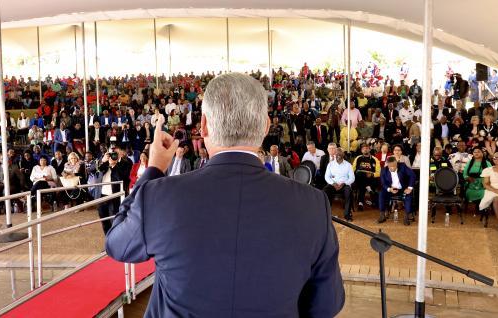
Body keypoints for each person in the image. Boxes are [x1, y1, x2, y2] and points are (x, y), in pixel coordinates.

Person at [105, 73, 344, 317]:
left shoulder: (159, 195)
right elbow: (326, 304)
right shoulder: (313, 204)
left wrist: (153, 170)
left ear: (204, 125)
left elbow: (117, 245)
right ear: (266, 126)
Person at [378, 156, 416, 225]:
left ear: (396, 163)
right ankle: (382, 214)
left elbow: (412, 175)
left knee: (408, 195)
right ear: (387, 165)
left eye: (394, 166)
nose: (392, 168)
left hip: (402, 189)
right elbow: (383, 183)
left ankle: (406, 216)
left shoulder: (403, 166)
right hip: (391, 189)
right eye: (390, 166)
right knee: (381, 193)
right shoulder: (384, 170)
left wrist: (409, 188)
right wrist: (390, 189)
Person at [96, 150, 124, 234]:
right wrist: (103, 161)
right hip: (101, 196)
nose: (113, 157)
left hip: (114, 196)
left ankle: (115, 241)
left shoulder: (122, 164)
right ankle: (108, 240)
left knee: (114, 220)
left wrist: (113, 165)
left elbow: (120, 177)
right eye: (111, 155)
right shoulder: (103, 164)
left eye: (115, 155)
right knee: (104, 220)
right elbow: (94, 170)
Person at [323, 149, 355, 221]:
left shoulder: (348, 165)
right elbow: (327, 176)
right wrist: (333, 183)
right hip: (333, 184)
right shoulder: (330, 164)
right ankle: (327, 213)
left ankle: (347, 214)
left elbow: (352, 178)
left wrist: (344, 183)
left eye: (340, 154)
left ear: (343, 155)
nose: (338, 156)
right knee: (325, 191)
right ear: (335, 155)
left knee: (348, 192)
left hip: (344, 185)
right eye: (337, 154)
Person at [353, 143, 381, 210]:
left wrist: (372, 174)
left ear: (369, 149)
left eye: (366, 148)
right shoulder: (358, 158)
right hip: (359, 177)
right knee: (360, 174)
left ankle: (360, 203)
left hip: (370, 178)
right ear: (361, 150)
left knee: (362, 184)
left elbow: (379, 172)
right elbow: (352, 169)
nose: (365, 149)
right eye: (363, 148)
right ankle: (368, 188)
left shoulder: (375, 159)